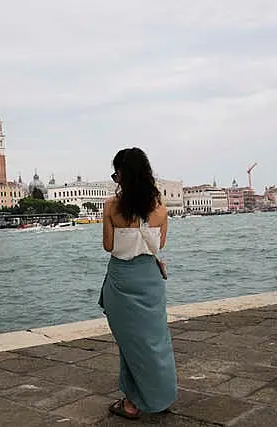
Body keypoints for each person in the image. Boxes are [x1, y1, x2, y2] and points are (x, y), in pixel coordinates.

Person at [99, 147, 177, 419]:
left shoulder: (111, 206)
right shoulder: (161, 209)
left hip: (123, 280)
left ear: (122, 175)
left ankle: (132, 403)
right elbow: (161, 244)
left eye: (115, 174)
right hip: (150, 280)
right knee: (156, 341)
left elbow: (109, 246)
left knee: (131, 344)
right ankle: (160, 397)